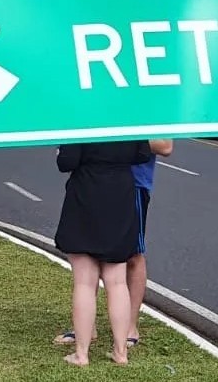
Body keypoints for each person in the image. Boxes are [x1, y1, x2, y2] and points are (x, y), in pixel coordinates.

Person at [54, 140, 154, 366]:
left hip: (87, 193)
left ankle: (82, 353)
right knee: (117, 281)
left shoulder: (81, 119)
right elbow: (142, 154)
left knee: (84, 282)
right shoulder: (128, 119)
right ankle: (120, 352)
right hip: (121, 195)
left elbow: (66, 161)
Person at [128, 139, 175, 343]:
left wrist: (119, 130)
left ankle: (130, 327)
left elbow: (165, 146)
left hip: (133, 184)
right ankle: (86, 327)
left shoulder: (151, 108)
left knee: (133, 254)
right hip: (92, 179)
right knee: (87, 254)